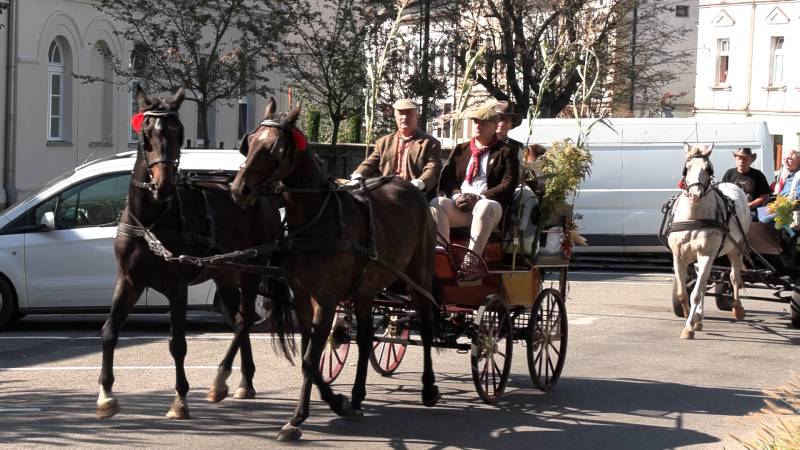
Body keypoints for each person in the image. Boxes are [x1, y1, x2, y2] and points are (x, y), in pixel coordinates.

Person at [431, 107, 520, 259]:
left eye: (484, 123)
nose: (478, 126)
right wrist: (456, 196)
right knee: (437, 203)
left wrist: (480, 197)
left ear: (494, 126)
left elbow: (508, 184)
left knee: (483, 206)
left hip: (490, 207)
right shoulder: (461, 149)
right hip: (462, 205)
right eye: (476, 122)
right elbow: (448, 178)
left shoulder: (506, 151)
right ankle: (443, 256)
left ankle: (472, 260)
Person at [350, 99, 441, 199]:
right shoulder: (383, 142)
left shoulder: (430, 143)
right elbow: (370, 162)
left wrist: (420, 183)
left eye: (409, 113)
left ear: (417, 116)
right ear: (395, 116)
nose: (404, 117)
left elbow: (433, 168)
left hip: (415, 196)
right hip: (387, 193)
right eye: (400, 114)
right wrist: (357, 175)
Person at [721, 147, 770, 218]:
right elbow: (722, 192)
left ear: (751, 160)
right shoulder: (729, 173)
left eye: (745, 159)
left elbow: (765, 196)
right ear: (735, 159)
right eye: (739, 158)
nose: (741, 161)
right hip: (732, 210)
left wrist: (751, 205)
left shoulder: (758, 175)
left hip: (754, 211)